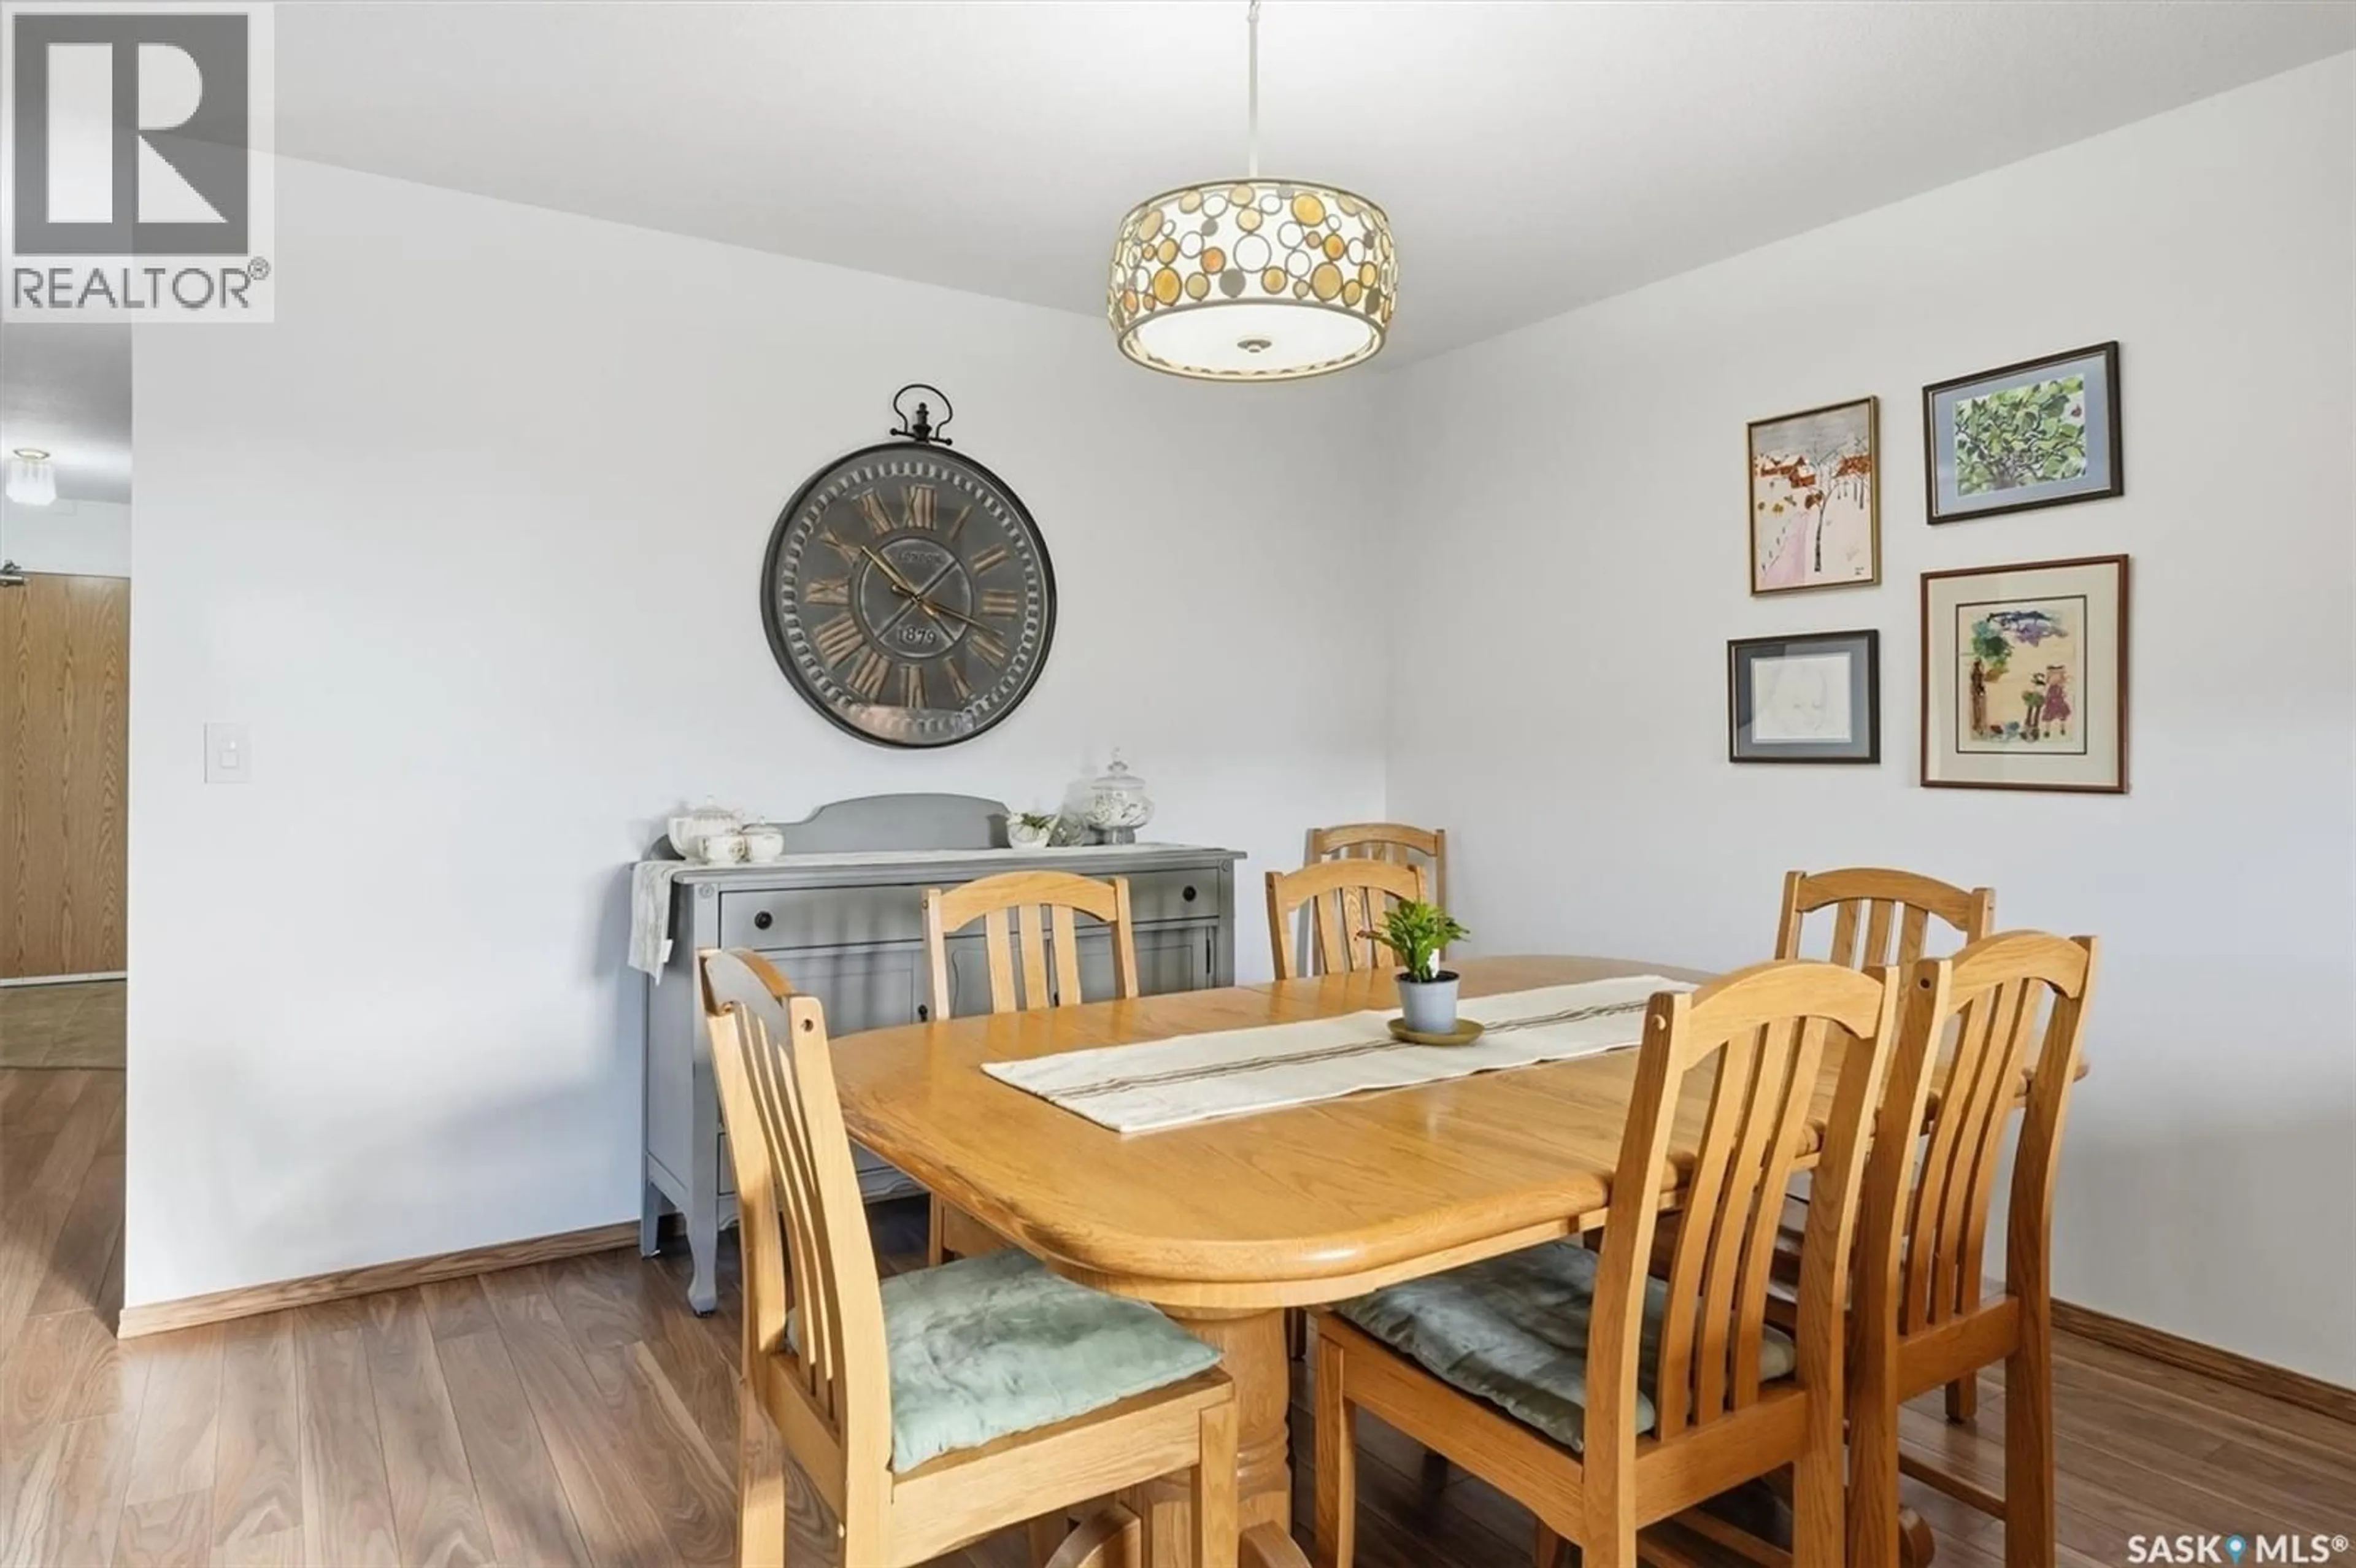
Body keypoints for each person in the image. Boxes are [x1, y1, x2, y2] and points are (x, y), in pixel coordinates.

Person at [2041, 665, 2072, 737]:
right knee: (2048, 718)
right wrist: (2047, 700)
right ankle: (2047, 731)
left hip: (2059, 702)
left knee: (2062, 717)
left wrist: (2063, 694)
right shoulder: (2051, 688)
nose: (2055, 679)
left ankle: (2062, 729)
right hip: (2051, 703)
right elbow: (2048, 694)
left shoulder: (2060, 687)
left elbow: (2064, 693)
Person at [2022, 672, 2047, 741]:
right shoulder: (2039, 685)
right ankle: (2030, 724)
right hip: (2035, 698)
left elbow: (2039, 691)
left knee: (2034, 711)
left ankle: (2032, 724)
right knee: (2032, 711)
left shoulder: (2041, 686)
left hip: (2036, 698)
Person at [1969, 658, 1988, 737]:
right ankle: (1978, 725)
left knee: (1978, 709)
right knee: (1978, 709)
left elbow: (1978, 683)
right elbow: (1978, 683)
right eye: (1980, 665)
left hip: (1977, 692)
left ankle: (1978, 725)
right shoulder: (1977, 674)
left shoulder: (1977, 673)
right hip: (1977, 692)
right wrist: (1980, 691)